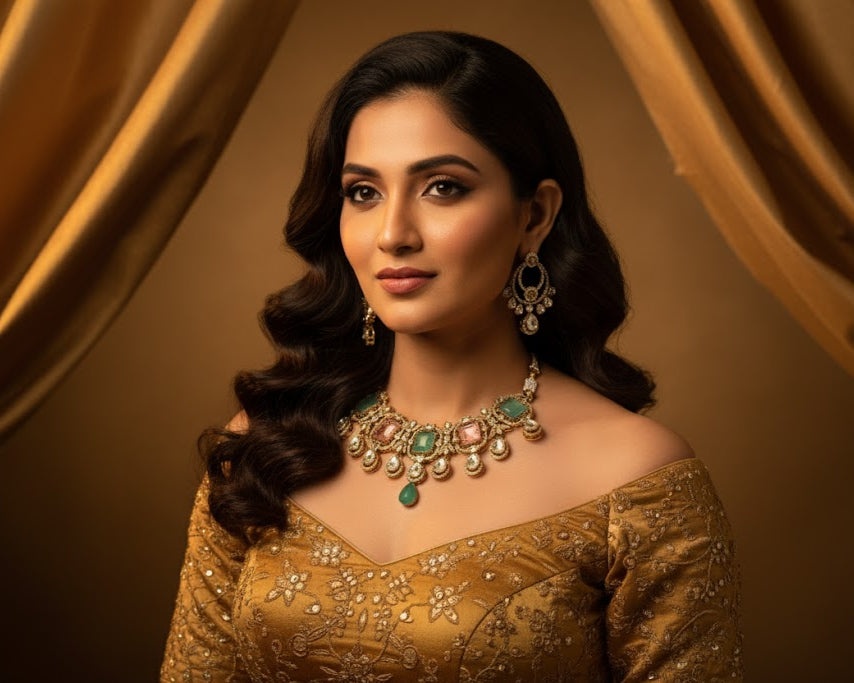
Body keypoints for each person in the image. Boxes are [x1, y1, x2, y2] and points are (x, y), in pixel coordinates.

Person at [161, 31, 742, 682]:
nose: (393, 234)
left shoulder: (637, 482)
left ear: (535, 215)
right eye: (363, 192)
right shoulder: (268, 442)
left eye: (442, 187)